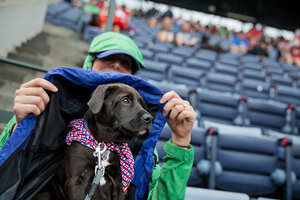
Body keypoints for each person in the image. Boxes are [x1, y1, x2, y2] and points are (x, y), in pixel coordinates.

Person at [0, 32, 196, 199]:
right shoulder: (48, 110)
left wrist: (180, 142)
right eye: (108, 58)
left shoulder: (138, 145)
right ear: (89, 64)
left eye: (126, 63)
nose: (117, 65)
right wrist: (20, 127)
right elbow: (9, 174)